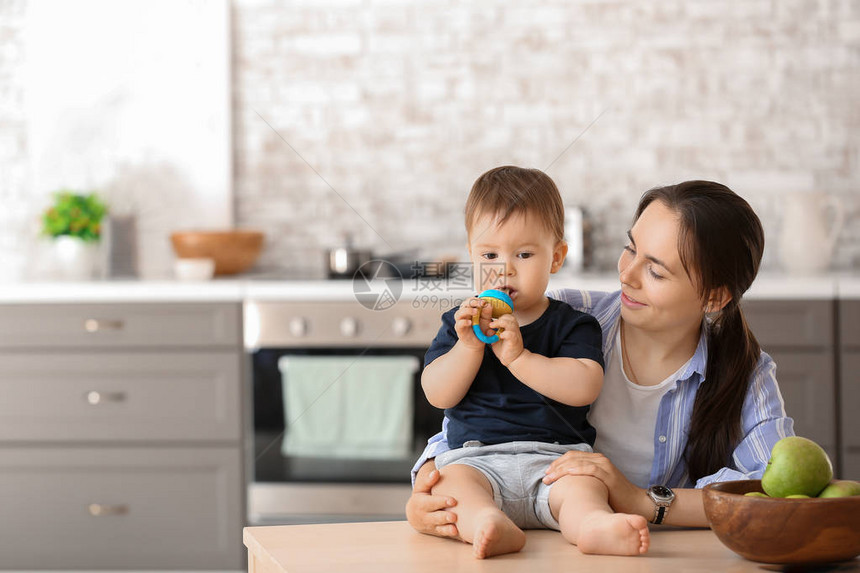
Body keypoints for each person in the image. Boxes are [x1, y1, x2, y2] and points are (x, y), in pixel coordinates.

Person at [407, 179, 794, 540]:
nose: (627, 276)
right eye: (630, 250)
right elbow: (474, 411)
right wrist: (429, 481)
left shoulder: (744, 371)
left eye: (656, 272)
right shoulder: (564, 314)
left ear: (714, 298)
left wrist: (642, 500)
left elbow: (774, 488)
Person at [421, 165, 650, 559]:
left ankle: (592, 526)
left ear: (556, 257)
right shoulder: (461, 324)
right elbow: (437, 393)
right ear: (472, 256)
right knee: (452, 486)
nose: (505, 268)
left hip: (557, 460)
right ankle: (487, 523)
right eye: (490, 254)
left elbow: (584, 387)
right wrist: (470, 349)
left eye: (524, 254)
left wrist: (519, 357)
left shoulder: (573, 323)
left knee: (585, 489)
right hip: (476, 459)